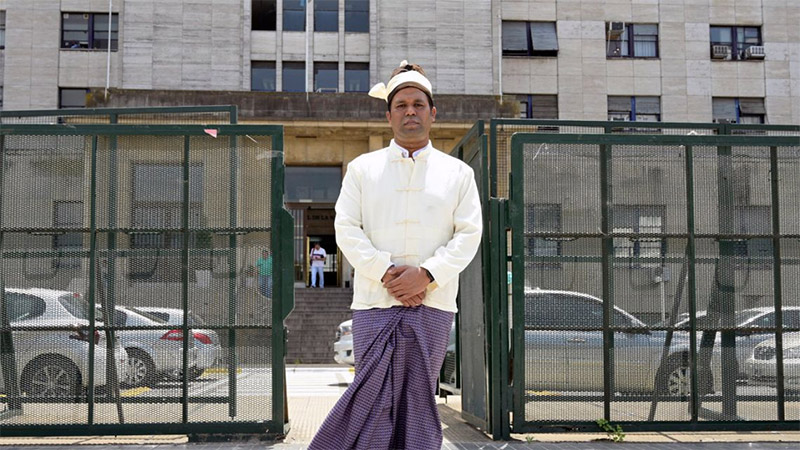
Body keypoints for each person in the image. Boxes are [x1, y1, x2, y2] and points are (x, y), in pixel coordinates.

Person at [308, 61, 482, 450]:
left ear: (432, 113)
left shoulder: (457, 174)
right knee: (369, 399)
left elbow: (469, 235)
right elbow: (346, 229)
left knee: (419, 400)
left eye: (418, 104)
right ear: (388, 115)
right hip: (374, 302)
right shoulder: (362, 169)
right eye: (401, 105)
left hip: (434, 303)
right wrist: (387, 273)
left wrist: (427, 275)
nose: (410, 112)